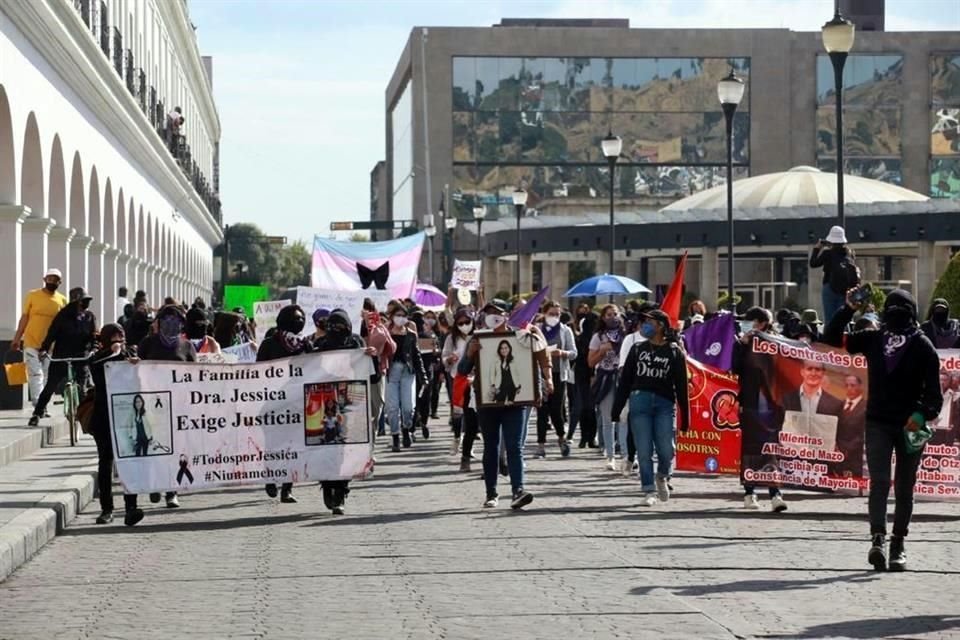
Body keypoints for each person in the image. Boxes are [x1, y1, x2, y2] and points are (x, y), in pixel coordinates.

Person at [823, 289, 943, 572]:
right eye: (892, 309)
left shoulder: (924, 346)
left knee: (904, 486)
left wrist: (920, 413)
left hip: (909, 427)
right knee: (880, 483)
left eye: (901, 309)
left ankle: (898, 543)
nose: (896, 315)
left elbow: (935, 398)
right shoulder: (873, 339)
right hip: (878, 422)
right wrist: (848, 308)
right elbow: (830, 339)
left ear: (912, 314)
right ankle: (878, 538)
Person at [459, 302, 552, 509]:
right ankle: (491, 493)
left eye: (498, 313)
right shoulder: (477, 338)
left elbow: (534, 363)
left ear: (506, 315)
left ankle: (518, 490)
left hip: (515, 404)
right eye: (489, 313)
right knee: (491, 447)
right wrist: (470, 354)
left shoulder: (521, 337)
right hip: (488, 404)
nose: (494, 317)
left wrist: (538, 389)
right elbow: (463, 370)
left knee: (514, 447)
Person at [612, 309, 689, 506]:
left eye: (649, 322)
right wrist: (618, 408)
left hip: (664, 403)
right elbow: (625, 381)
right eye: (643, 321)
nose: (644, 325)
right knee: (644, 450)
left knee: (666, 449)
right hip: (640, 402)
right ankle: (648, 489)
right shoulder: (637, 349)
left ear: (661, 325)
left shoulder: (674, 351)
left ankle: (663, 475)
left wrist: (685, 416)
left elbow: (681, 386)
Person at [312, 309, 377, 515]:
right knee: (326, 446)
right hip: (326, 403)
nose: (335, 331)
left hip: (352, 401)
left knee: (347, 449)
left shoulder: (356, 344)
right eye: (331, 327)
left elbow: (372, 378)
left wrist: (369, 357)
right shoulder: (320, 346)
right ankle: (328, 484)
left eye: (340, 327)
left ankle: (340, 492)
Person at [135, 304, 197, 510]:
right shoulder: (147, 343)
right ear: (158, 323)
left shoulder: (187, 347)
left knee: (176, 451)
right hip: (152, 406)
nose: (171, 324)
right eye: (166, 319)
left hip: (178, 407)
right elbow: (136, 369)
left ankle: (172, 491)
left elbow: (197, 377)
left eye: (176, 320)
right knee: (155, 447)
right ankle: (155, 484)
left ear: (181, 324)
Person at [734, 306, 789, 512]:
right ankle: (749, 492)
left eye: (751, 322)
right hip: (750, 402)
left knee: (771, 448)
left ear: (762, 323)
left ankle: (775, 493)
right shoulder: (743, 343)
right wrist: (742, 345)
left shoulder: (776, 342)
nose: (747, 325)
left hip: (772, 404)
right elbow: (735, 368)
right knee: (750, 448)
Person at [87, 323, 140, 525]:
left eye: (122, 336)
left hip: (126, 418)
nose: (119, 340)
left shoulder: (131, 354)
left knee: (128, 462)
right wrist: (112, 353)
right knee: (105, 463)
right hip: (103, 418)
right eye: (115, 337)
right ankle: (107, 509)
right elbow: (99, 376)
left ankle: (131, 508)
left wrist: (130, 359)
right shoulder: (97, 358)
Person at [258, 305, 311, 503]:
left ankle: (287, 488)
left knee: (294, 446)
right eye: (295, 318)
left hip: (297, 404)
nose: (299, 321)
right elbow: (256, 373)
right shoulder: (269, 344)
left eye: (302, 318)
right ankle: (271, 479)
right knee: (273, 445)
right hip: (273, 403)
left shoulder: (306, 345)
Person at [28, 287, 98, 426]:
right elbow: (51, 334)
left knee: (83, 389)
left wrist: (94, 347)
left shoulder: (90, 317)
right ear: (74, 302)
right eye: (82, 301)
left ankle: (88, 419)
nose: (84, 304)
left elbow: (94, 336)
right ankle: (37, 412)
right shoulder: (62, 316)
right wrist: (44, 349)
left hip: (81, 357)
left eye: (86, 301)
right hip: (62, 356)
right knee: (50, 386)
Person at [11, 268, 68, 407]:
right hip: (31, 340)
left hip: (51, 345)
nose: (51, 282)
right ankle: (38, 403)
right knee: (36, 374)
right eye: (49, 279)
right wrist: (17, 338)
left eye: (54, 280)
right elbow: (24, 317)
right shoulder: (33, 295)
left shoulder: (62, 300)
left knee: (47, 375)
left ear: (59, 282)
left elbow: (64, 323)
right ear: (44, 280)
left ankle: (44, 404)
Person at [535, 300, 576, 458]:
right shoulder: (537, 329)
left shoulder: (565, 330)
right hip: (540, 373)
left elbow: (574, 352)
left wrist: (562, 353)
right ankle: (540, 445)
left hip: (559, 373)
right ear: (544, 313)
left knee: (556, 409)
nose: (554, 317)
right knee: (542, 409)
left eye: (557, 314)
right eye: (551, 314)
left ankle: (561, 438)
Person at [588, 304, 627, 471]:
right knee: (607, 420)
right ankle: (610, 456)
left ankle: (626, 455)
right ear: (603, 318)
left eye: (615, 314)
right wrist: (602, 351)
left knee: (624, 419)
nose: (613, 317)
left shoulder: (626, 336)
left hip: (622, 379)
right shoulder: (598, 336)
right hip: (605, 378)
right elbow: (590, 362)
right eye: (609, 314)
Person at [384, 305, 425, 451]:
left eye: (403, 315)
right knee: (393, 407)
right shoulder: (386, 332)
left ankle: (406, 429)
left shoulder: (411, 334)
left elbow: (417, 355)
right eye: (398, 315)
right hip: (391, 373)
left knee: (408, 407)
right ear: (392, 317)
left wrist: (423, 376)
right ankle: (395, 436)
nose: (400, 318)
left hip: (408, 372)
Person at [443, 308, 478, 470]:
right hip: (457, 378)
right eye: (461, 323)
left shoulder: (479, 336)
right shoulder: (452, 338)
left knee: (472, 415)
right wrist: (450, 359)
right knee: (458, 411)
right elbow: (444, 358)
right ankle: (457, 437)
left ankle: (467, 449)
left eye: (467, 322)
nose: (464, 325)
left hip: (476, 380)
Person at [809, 225, 859, 322]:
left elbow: (813, 264)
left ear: (830, 240)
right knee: (844, 318)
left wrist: (817, 248)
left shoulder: (827, 253)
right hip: (845, 291)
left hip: (829, 287)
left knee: (830, 319)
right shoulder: (849, 254)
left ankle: (830, 336)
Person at [831, 374, 866, 477]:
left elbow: (863, 434)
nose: (849, 388)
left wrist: (846, 450)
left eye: (852, 385)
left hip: (855, 459)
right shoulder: (838, 405)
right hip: (837, 458)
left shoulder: (866, 407)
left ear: (860, 387)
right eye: (846, 385)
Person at [573, 308, 599, 447]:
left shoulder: (580, 338)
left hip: (582, 375)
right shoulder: (595, 338)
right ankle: (590, 438)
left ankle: (585, 438)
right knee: (591, 408)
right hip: (590, 375)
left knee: (585, 407)